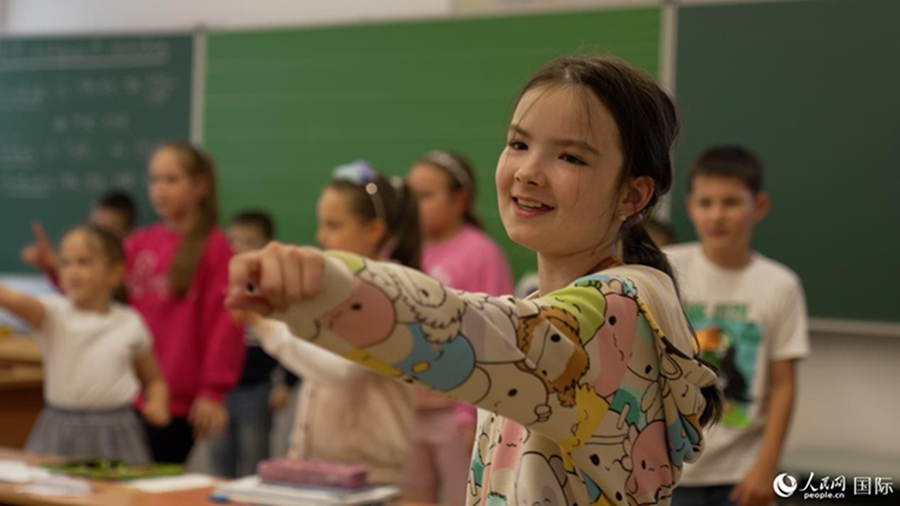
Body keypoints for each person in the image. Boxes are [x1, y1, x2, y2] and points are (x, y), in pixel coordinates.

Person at [227, 55, 723, 506]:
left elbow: (469, 330)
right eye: (518, 143)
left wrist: (326, 283)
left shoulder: (618, 310)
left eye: (570, 157)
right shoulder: (556, 301)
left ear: (632, 195)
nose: (528, 171)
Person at [244, 161, 418, 485]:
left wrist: (269, 327)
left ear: (374, 231)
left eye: (333, 225)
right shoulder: (335, 288)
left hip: (368, 473)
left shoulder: (391, 292)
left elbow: (340, 369)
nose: (319, 235)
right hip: (318, 464)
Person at [665, 146, 809, 506]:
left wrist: (768, 465)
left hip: (741, 474)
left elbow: (782, 385)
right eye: (706, 202)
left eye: (730, 203)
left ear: (758, 206)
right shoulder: (666, 268)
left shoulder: (779, 284)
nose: (716, 214)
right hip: (669, 467)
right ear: (690, 207)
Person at [0, 224, 168, 464]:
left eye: (84, 262)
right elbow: (14, 300)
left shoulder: (130, 321)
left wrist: (158, 402)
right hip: (59, 430)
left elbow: (154, 379)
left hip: (117, 432)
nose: (72, 271)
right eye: (65, 263)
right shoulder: (53, 313)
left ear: (114, 273)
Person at [405, 150, 514, 505]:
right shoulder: (402, 250)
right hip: (406, 410)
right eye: (410, 195)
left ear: (459, 199)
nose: (413, 204)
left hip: (456, 414)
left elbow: (494, 334)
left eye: (425, 195)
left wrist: (470, 411)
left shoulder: (481, 252)